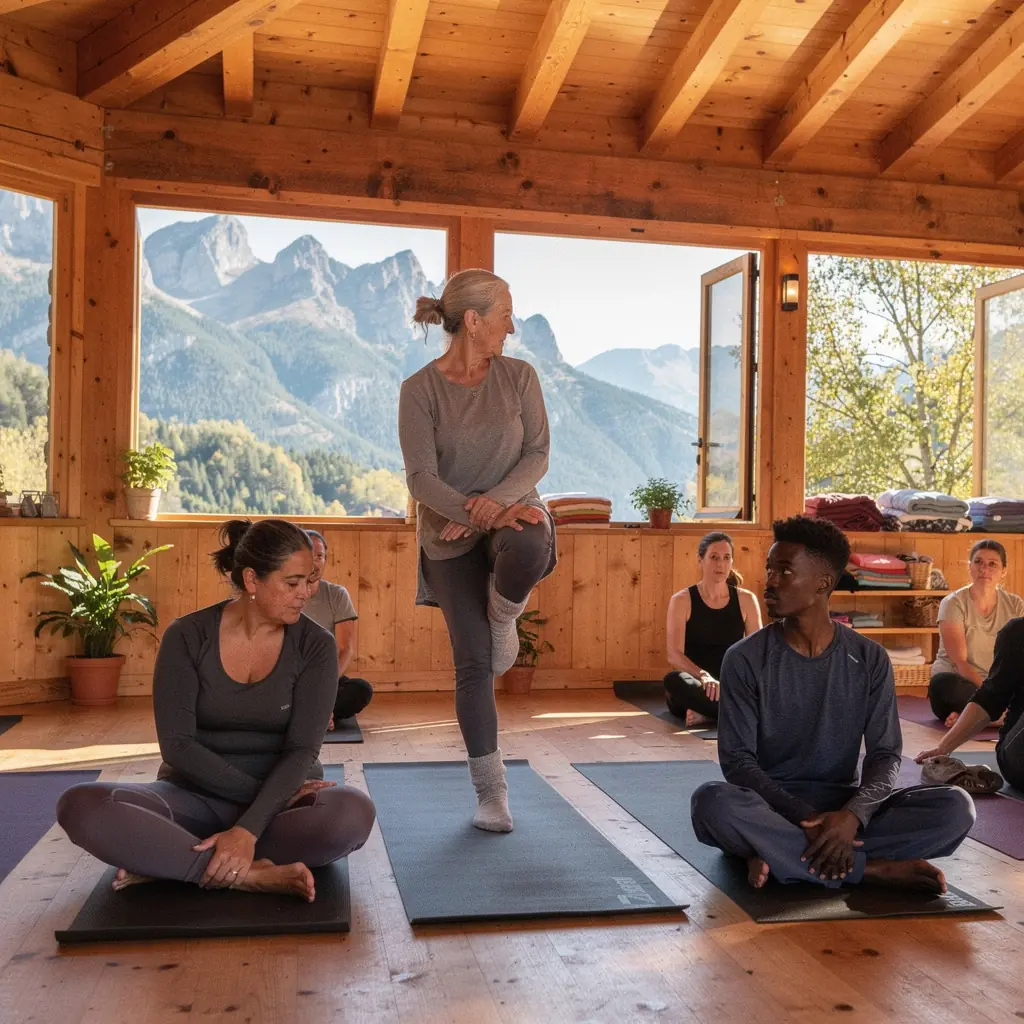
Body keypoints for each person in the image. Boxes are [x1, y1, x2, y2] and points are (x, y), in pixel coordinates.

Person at [57, 519, 376, 901]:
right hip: (195, 798)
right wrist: (253, 804)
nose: (306, 593)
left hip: (282, 810)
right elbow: (177, 746)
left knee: (352, 813)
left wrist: (251, 824)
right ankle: (247, 876)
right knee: (82, 804)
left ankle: (173, 863)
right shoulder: (187, 636)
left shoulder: (316, 646)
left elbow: (302, 751)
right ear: (252, 580)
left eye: (309, 581)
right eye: (292, 584)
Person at [691, 515, 975, 893]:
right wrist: (808, 819)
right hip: (770, 806)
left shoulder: (870, 659)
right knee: (711, 804)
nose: (770, 581)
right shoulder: (743, 659)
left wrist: (851, 817)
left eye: (784, 571)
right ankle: (871, 868)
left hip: (845, 806)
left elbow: (886, 755)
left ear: (823, 582)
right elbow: (738, 763)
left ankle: (778, 856)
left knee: (956, 808)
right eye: (769, 569)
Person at [399, 268, 556, 834]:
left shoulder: (519, 377)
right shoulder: (419, 391)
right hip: (447, 534)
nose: (512, 326)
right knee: (474, 662)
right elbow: (420, 479)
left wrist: (496, 506)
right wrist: (474, 513)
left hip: (513, 514)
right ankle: (492, 795)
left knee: (531, 538)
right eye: (505, 313)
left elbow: (538, 454)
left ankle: (506, 611)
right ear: (474, 320)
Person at [916, 615, 1024, 790]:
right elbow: (990, 699)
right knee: (943, 683)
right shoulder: (1019, 632)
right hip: (1017, 757)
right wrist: (944, 747)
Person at [664, 531, 762, 722]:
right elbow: (674, 655)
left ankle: (710, 716)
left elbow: (757, 654)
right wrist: (704, 676)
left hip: (731, 684)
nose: (721, 564)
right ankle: (737, 713)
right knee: (674, 680)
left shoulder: (747, 599)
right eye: (714, 557)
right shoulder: (682, 600)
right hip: (697, 684)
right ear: (700, 560)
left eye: (726, 558)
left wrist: (737, 683)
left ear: (732, 562)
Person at [928, 539, 1024, 728]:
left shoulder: (1016, 605)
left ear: (1003, 571)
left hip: (998, 686)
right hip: (962, 684)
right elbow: (961, 663)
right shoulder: (953, 603)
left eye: (992, 564)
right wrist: (992, 696)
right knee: (944, 684)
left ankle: (971, 716)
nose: (984, 569)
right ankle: (996, 718)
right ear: (970, 567)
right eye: (978, 562)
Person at [303, 529, 373, 729]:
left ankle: (317, 714)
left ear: (326, 559)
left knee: (360, 689)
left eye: (319, 556)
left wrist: (323, 688)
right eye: (308, 556)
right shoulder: (282, 593)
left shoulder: (337, 595)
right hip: (289, 679)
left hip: (326, 677)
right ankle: (315, 715)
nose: (314, 562)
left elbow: (345, 649)